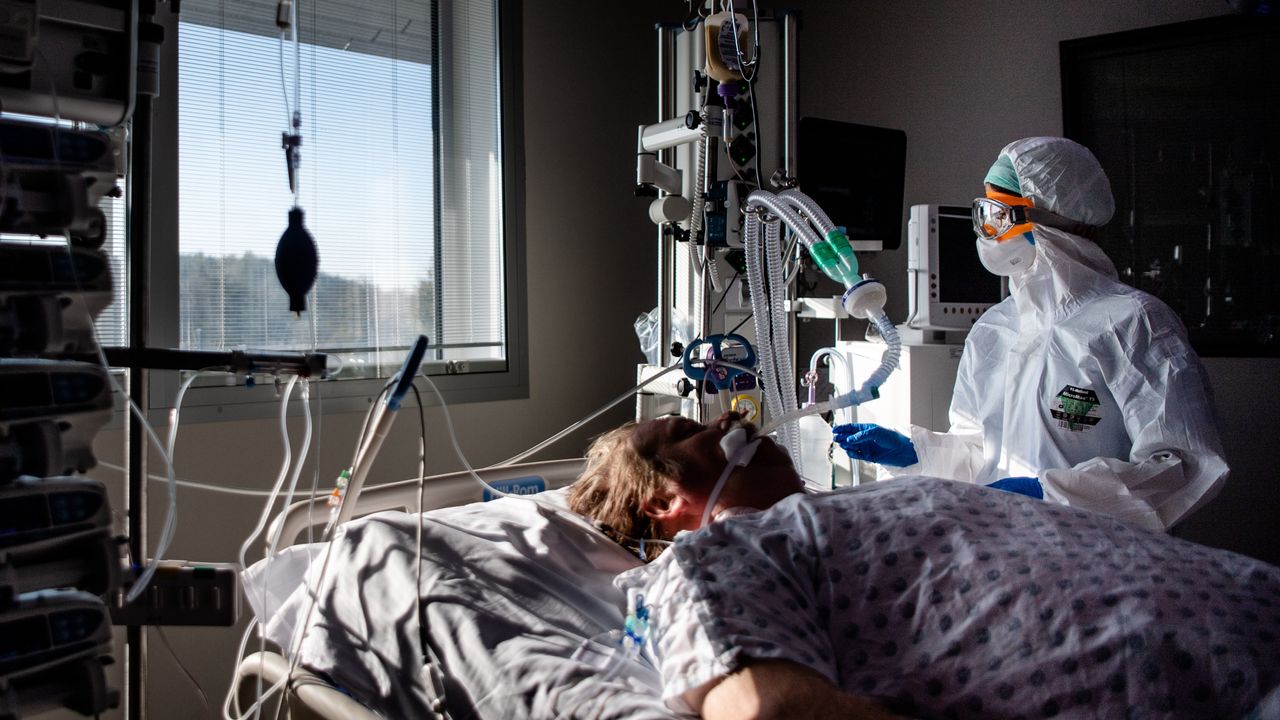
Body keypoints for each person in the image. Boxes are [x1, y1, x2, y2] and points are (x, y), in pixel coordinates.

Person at [572, 413, 1280, 720]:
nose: (727, 419)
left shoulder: (852, 508)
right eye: (688, 434)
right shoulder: (716, 561)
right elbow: (773, 709)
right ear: (662, 501)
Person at [835, 136, 1228, 532]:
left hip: (1101, 556)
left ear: (1050, 223)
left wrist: (1048, 493)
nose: (983, 231)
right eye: (980, 212)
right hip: (1004, 545)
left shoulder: (1133, 324)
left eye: (995, 215)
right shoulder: (993, 329)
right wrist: (915, 452)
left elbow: (1181, 466)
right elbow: (979, 450)